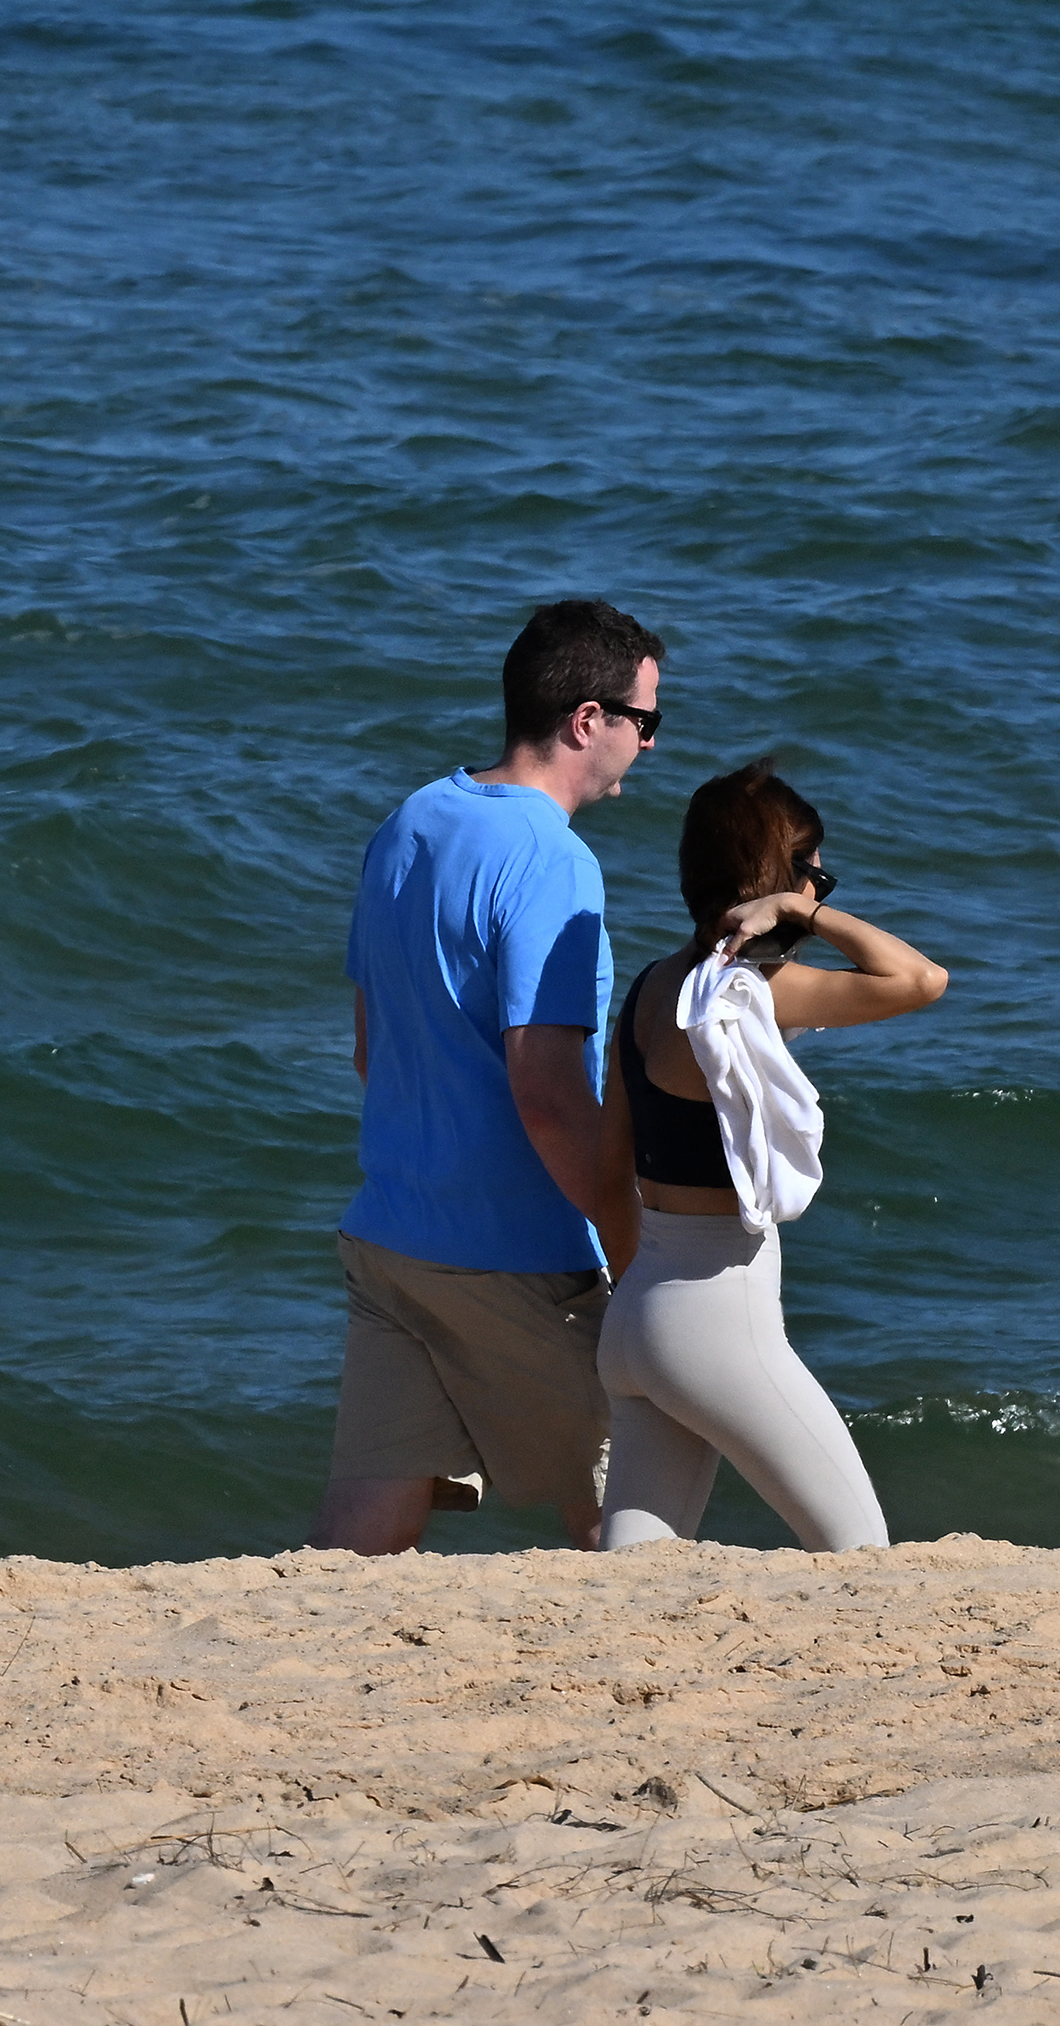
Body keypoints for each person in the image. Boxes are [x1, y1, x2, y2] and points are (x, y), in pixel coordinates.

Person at [309, 597, 664, 1555]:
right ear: (587, 721)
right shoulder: (554, 861)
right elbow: (546, 1091)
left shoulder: (410, 822)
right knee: (632, 1482)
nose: (649, 746)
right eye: (646, 722)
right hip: (514, 1254)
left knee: (362, 1531)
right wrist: (631, 1246)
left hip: (390, 1232)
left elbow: (367, 1050)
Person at [597, 758, 947, 1552]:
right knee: (860, 1551)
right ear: (770, 879)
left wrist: (639, 1297)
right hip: (718, 1314)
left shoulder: (653, 987)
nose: (822, 884)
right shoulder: (756, 991)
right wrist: (799, 911)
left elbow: (601, 1167)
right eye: (812, 869)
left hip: (638, 1310)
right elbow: (921, 979)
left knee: (629, 1583)